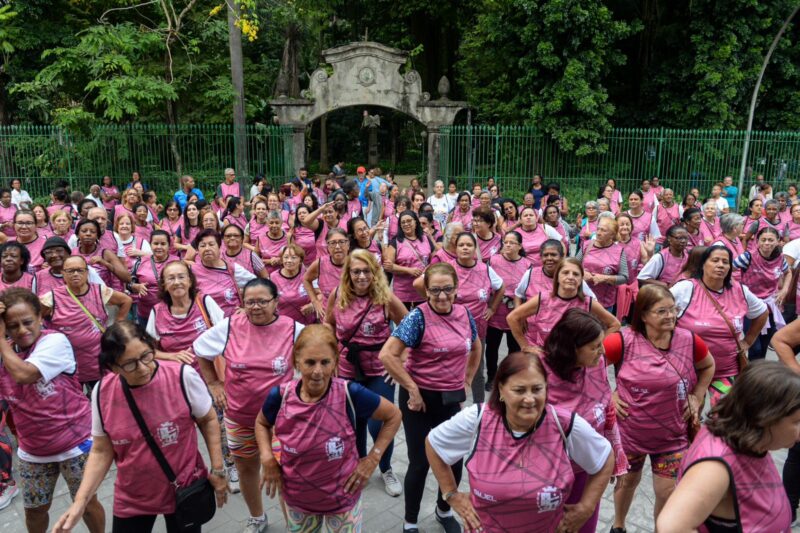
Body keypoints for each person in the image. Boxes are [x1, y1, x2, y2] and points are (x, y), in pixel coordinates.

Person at [52, 321, 227, 533]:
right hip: (133, 496)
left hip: (184, 486)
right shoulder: (102, 392)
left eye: (146, 356)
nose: (143, 368)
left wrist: (218, 469)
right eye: (130, 364)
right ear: (113, 367)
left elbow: (208, 420)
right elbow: (101, 450)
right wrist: (80, 501)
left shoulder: (182, 376)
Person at [426, 350, 613, 533]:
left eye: (537, 389)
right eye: (519, 390)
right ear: (501, 389)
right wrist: (451, 494)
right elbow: (433, 444)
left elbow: (605, 458)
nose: (530, 399)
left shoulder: (565, 424)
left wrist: (586, 507)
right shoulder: (478, 418)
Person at [255, 325, 401, 531]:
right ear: (296, 361)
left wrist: (372, 459)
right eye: (310, 362)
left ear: (335, 362)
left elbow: (394, 416)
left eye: (325, 362)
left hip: (342, 501)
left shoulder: (350, 393)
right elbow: (261, 423)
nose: (318, 371)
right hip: (298, 501)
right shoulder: (280, 396)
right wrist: (267, 457)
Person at [380, 262, 482, 533]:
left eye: (447, 289)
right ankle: (410, 521)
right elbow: (387, 355)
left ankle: (443, 510)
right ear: (426, 291)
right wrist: (412, 389)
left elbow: (476, 346)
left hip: (451, 399)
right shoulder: (418, 318)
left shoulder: (464, 313)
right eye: (435, 290)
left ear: (456, 289)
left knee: (453, 459)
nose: (442, 296)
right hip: (420, 401)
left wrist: (468, 380)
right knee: (420, 462)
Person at [605, 285, 715, 531]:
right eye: (661, 311)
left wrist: (697, 395)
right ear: (643, 315)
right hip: (630, 434)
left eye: (673, 309)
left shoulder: (689, 340)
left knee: (667, 492)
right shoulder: (622, 340)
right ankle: (618, 525)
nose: (670, 316)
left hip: (673, 435)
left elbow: (708, 366)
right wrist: (608, 395)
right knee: (627, 482)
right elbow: (588, 368)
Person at [0, 288, 105, 533]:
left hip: (76, 443)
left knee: (87, 504)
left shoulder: (55, 341)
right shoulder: (7, 351)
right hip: (33, 450)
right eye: (12, 326)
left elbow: (25, 374)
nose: (22, 330)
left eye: (27, 322)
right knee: (35, 511)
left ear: (40, 317)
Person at [657, 361, 798, 532]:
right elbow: (671, 527)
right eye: (797, 421)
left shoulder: (746, 439)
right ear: (766, 418)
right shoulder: (716, 466)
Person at [324, 250, 407, 496]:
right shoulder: (338, 294)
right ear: (348, 274)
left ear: (374, 272)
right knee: (352, 423)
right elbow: (328, 324)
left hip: (379, 370)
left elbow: (409, 326)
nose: (361, 276)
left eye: (366, 271)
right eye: (356, 271)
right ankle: (359, 465)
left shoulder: (386, 298)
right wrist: (330, 355)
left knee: (378, 424)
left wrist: (400, 360)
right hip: (347, 368)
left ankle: (385, 467)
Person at [539, 308, 628, 533]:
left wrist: (617, 455)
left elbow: (607, 409)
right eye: (595, 346)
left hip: (585, 471)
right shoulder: (536, 373)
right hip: (543, 475)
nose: (602, 351)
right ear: (572, 348)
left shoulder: (596, 366)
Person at [671, 245, 768, 404]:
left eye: (725, 262)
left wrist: (748, 341)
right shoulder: (685, 288)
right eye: (715, 260)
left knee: (725, 413)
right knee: (689, 414)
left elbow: (762, 312)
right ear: (703, 264)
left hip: (725, 371)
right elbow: (657, 312)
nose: (720, 265)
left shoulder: (740, 291)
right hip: (688, 370)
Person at [40, 255, 132, 391]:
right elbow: (35, 316)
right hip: (69, 362)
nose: (75, 274)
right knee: (75, 399)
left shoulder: (99, 291)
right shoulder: (51, 297)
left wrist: (117, 325)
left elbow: (126, 300)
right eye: (70, 271)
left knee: (103, 394)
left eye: (80, 270)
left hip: (98, 359)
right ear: (63, 274)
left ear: (87, 272)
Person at [508, 258, 619, 350]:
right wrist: (525, 346)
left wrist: (595, 345)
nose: (570, 277)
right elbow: (512, 318)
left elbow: (615, 324)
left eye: (576, 274)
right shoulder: (542, 299)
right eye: (565, 273)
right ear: (557, 277)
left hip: (575, 362)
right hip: (545, 359)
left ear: (581, 279)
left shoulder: (588, 303)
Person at [733, 226, 790, 360]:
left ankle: (759, 370)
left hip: (771, 306)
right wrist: (736, 291)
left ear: (778, 241)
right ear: (757, 241)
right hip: (750, 306)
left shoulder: (781, 258)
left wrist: (784, 290)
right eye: (763, 240)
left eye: (771, 240)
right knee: (754, 347)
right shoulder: (747, 257)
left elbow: (788, 273)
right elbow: (728, 269)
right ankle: (753, 371)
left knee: (765, 344)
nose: (767, 243)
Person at [485, 231, 529, 387]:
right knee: (492, 348)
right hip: (495, 311)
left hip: (515, 313)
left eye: (512, 243)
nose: (508, 245)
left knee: (514, 349)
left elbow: (528, 291)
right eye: (506, 242)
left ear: (520, 246)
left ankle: (510, 377)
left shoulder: (527, 265)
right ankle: (491, 377)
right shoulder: (493, 260)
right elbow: (487, 282)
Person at [190, 229, 256, 317]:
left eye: (211, 244)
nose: (207, 249)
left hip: (233, 320)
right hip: (207, 322)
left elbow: (258, 286)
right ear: (197, 250)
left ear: (220, 247)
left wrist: (247, 309)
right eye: (202, 245)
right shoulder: (191, 271)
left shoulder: (232, 268)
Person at [576, 216, 629, 313]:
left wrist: (605, 278)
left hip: (604, 304)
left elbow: (624, 277)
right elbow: (573, 265)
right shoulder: (587, 245)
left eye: (603, 230)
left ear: (612, 234)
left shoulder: (619, 251)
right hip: (583, 299)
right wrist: (581, 273)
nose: (598, 233)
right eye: (598, 229)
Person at [384, 211, 435, 309]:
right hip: (403, 293)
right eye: (403, 222)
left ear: (415, 222)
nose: (406, 224)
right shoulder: (395, 242)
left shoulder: (425, 239)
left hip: (423, 290)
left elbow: (435, 260)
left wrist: (429, 268)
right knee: (404, 318)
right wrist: (408, 270)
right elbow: (387, 266)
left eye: (409, 221)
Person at [303, 227, 349, 320]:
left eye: (341, 242)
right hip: (328, 316)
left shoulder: (356, 262)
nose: (337, 247)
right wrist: (315, 302)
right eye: (333, 243)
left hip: (351, 316)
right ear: (327, 246)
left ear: (348, 244)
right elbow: (306, 279)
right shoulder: (321, 263)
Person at [272, 244, 315, 325]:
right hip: (283, 324)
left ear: (300, 260)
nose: (289, 261)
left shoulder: (308, 274)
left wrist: (312, 304)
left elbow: (321, 294)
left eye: (293, 257)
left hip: (307, 324)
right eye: (286, 257)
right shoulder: (273, 277)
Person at [257, 210, 288, 275]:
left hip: (284, 274)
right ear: (267, 223)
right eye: (271, 223)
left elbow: (294, 256)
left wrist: (280, 260)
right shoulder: (261, 238)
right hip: (265, 275)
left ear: (281, 223)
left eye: (277, 223)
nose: (274, 225)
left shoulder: (288, 237)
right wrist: (269, 261)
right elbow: (255, 259)